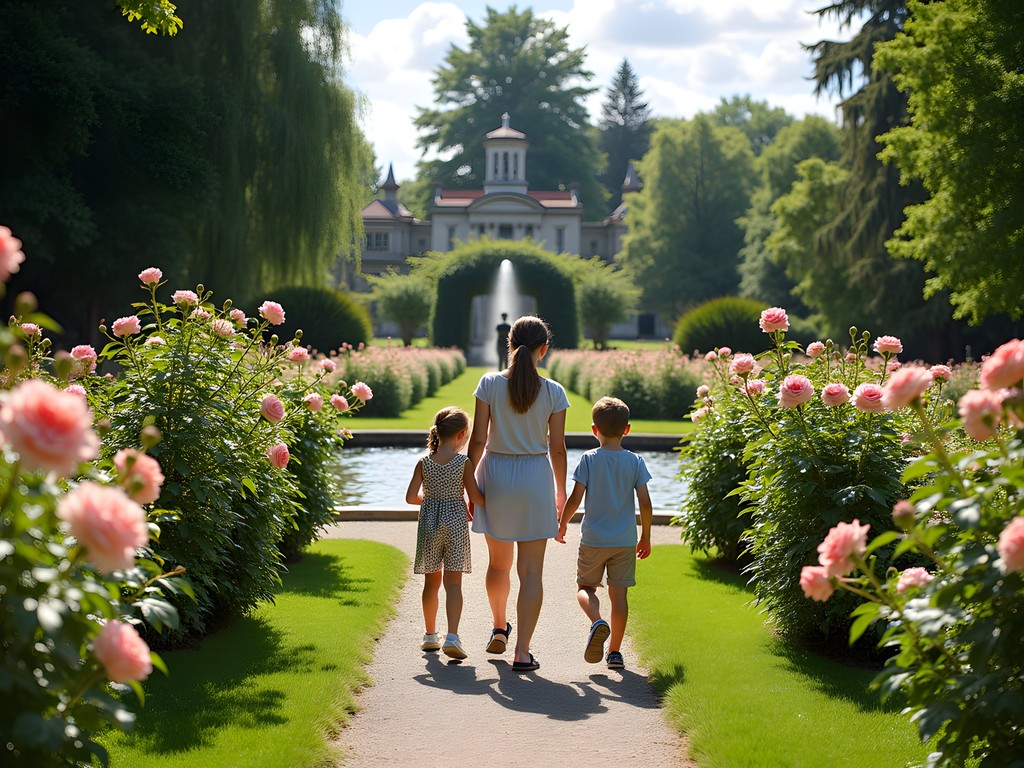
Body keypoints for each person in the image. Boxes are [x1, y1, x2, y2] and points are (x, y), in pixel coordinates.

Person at [469, 315, 569, 672]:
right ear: (544, 349)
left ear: (509, 345)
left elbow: (477, 440)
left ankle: (499, 626)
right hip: (535, 478)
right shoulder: (554, 391)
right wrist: (560, 495)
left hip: (496, 474)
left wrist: (470, 485)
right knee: (531, 572)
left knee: (498, 563)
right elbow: (557, 450)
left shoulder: (490, 384)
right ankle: (522, 652)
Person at [555, 396, 652, 670]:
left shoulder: (588, 459)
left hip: (594, 539)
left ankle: (597, 621)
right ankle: (615, 653)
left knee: (585, 588)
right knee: (619, 597)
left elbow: (575, 499)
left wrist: (562, 524)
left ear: (594, 430)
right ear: (627, 429)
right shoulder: (635, 462)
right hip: (624, 540)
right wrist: (645, 536)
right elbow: (645, 502)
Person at [406, 406, 485, 660]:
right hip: (456, 525)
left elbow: (410, 498)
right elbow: (476, 498)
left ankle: (430, 636)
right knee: (453, 583)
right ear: (462, 434)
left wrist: (431, 501)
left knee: (431, 582)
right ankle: (453, 636)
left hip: (429, 523)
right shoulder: (463, 463)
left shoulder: (424, 462)